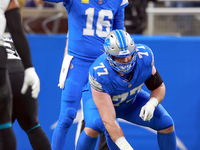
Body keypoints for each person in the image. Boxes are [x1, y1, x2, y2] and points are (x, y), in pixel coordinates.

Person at [41, 0, 129, 149]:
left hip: (103, 67)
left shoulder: (117, 1)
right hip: (77, 64)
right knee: (67, 117)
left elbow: (119, 34)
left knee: (101, 122)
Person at [76, 29, 177, 150]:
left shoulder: (144, 57)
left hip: (130, 99)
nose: (126, 60)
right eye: (120, 57)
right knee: (94, 126)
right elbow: (109, 120)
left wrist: (152, 103)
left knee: (166, 122)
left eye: (128, 55)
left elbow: (159, 87)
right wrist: (126, 147)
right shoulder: (100, 73)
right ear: (109, 56)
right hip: (100, 102)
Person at [0, 0, 40, 149]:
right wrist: (29, 68)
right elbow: (17, 30)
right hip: (12, 67)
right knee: (7, 126)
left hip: (5, 66)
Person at [4, 37, 52, 150]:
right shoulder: (10, 38)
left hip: (4, 77)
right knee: (32, 127)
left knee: (3, 130)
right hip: (22, 77)